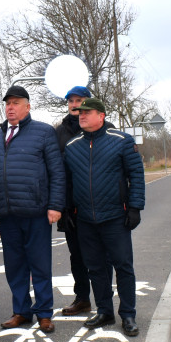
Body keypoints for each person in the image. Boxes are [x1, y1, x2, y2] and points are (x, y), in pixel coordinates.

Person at [62, 98, 145, 337]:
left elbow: (136, 176)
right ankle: (104, 311)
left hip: (115, 217)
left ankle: (128, 314)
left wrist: (135, 207)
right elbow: (68, 182)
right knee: (96, 268)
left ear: (102, 115)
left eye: (87, 112)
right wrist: (67, 210)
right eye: (80, 113)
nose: (82, 116)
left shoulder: (121, 141)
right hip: (85, 219)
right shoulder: (72, 146)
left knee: (123, 266)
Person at [0, 85, 64, 334]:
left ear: (27, 106)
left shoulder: (43, 132)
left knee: (40, 265)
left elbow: (57, 172)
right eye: (8, 103)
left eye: (16, 103)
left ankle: (44, 313)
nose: (11, 107)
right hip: (8, 215)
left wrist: (55, 205)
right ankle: (21, 311)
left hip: (36, 211)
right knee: (15, 266)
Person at [55, 84, 95, 316]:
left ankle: (104, 301)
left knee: (99, 255)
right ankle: (82, 298)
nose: (74, 104)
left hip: (97, 203)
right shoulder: (59, 132)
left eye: (78, 100)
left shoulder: (101, 128)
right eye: (70, 101)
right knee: (76, 255)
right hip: (71, 206)